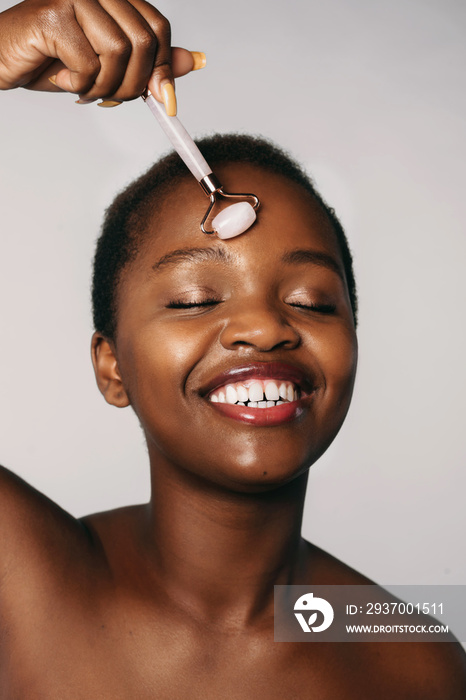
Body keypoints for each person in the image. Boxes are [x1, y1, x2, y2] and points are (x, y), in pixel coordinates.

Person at [1, 1, 465, 697]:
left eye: (313, 302)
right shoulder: (21, 578)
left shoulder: (408, 649)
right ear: (112, 365)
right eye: (194, 299)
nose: (265, 328)